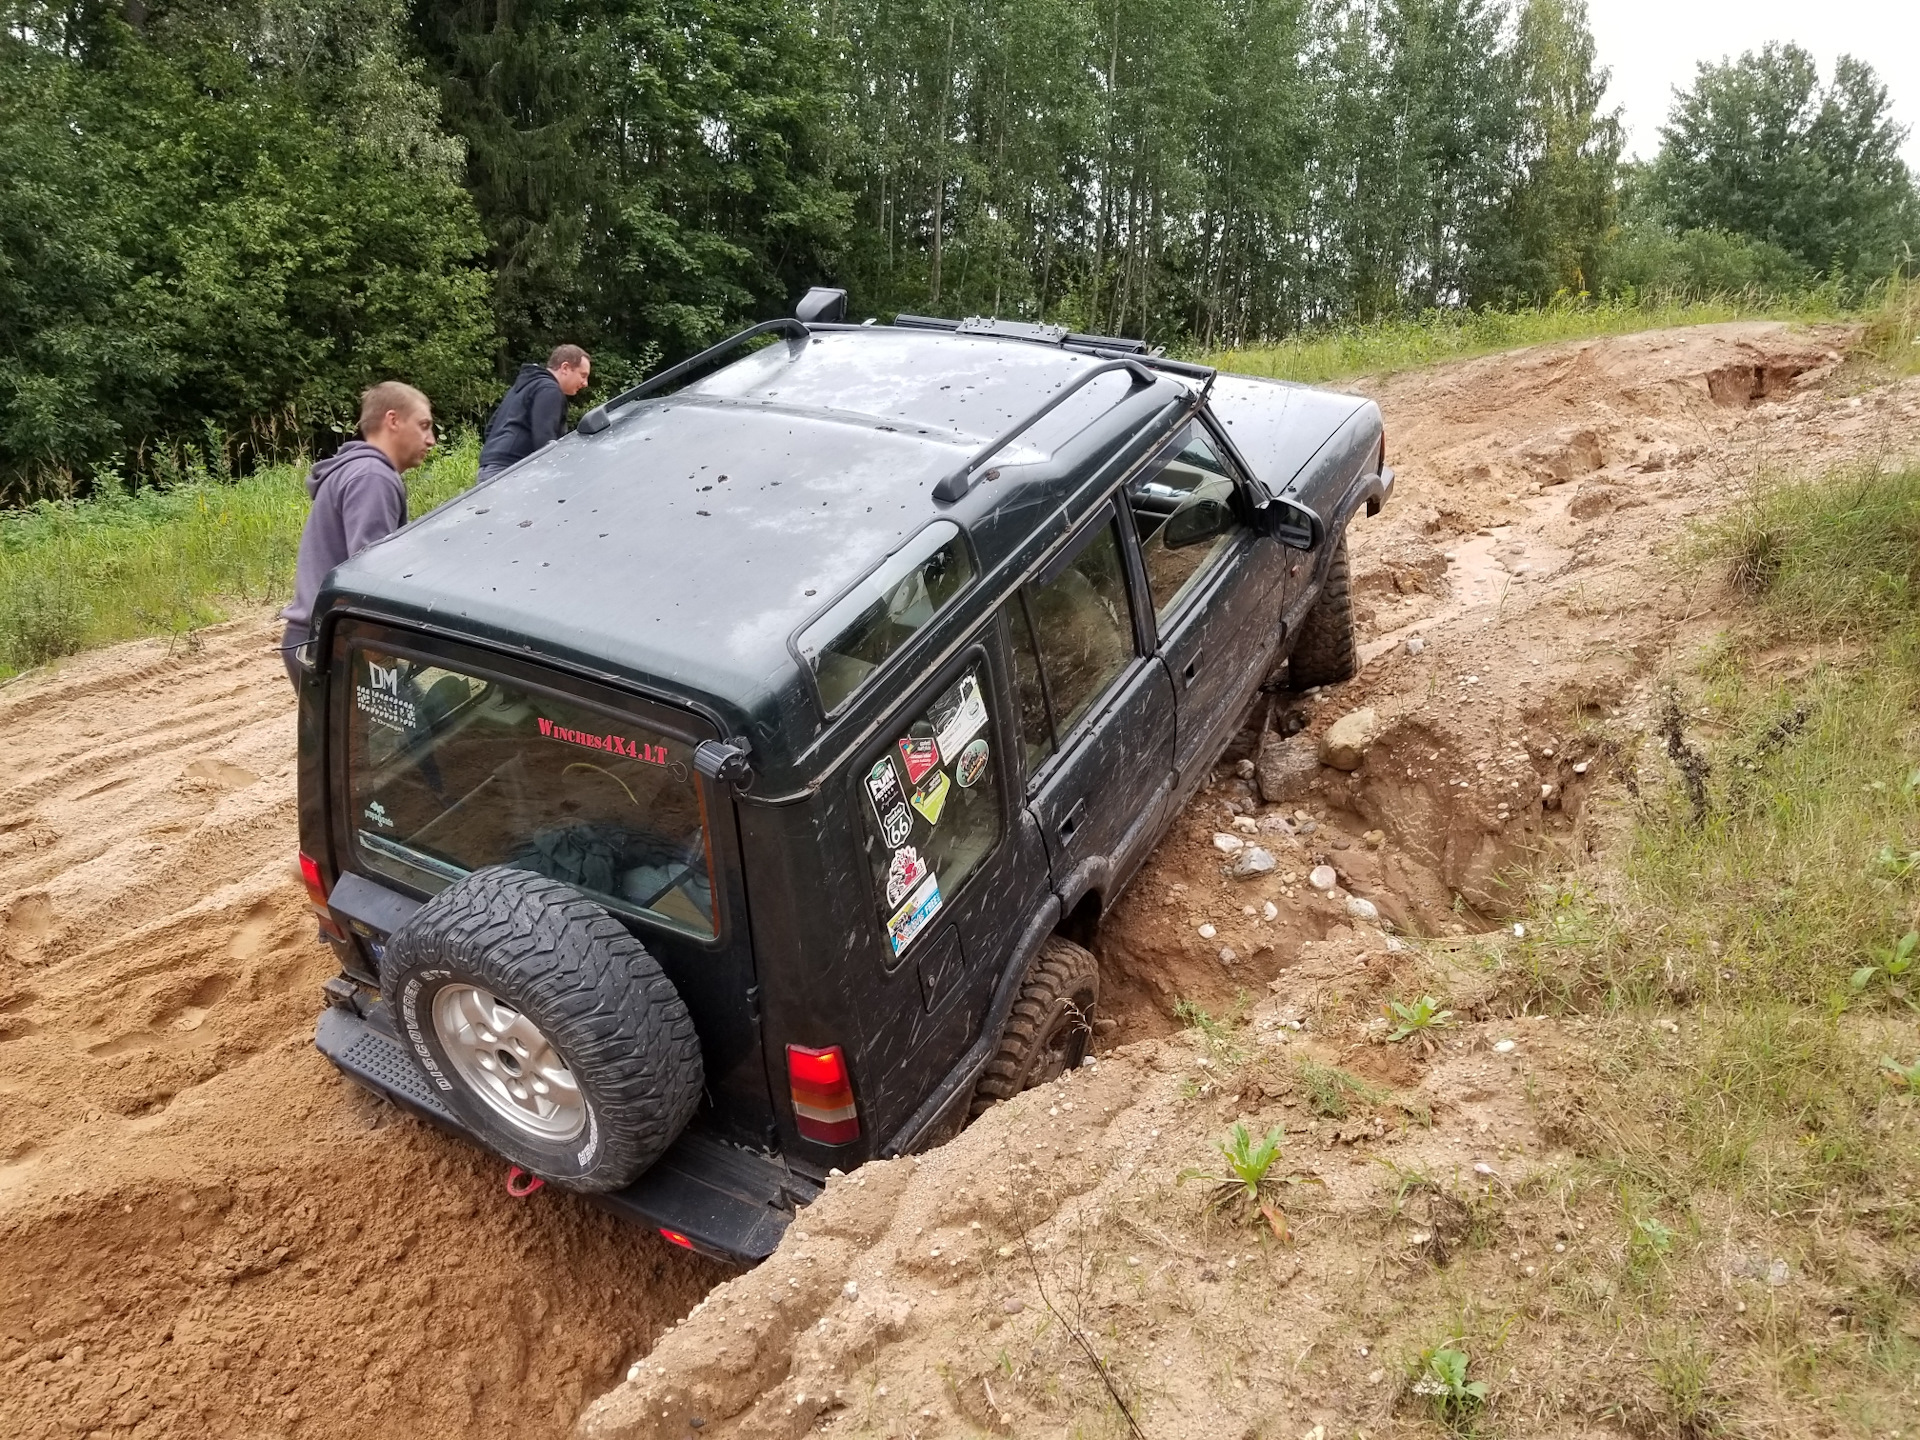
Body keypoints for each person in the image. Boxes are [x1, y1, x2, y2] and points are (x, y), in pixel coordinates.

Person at [279, 381, 436, 687]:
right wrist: (385, 657)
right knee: (407, 729)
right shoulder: (371, 477)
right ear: (393, 420)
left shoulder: (357, 470)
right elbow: (369, 580)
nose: (430, 439)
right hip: (331, 644)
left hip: (315, 637)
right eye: (424, 425)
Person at [477, 344, 592, 482]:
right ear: (565, 368)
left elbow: (491, 429)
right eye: (583, 375)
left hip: (488, 469)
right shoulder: (549, 389)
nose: (585, 383)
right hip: (511, 470)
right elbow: (545, 440)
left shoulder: (525, 386)